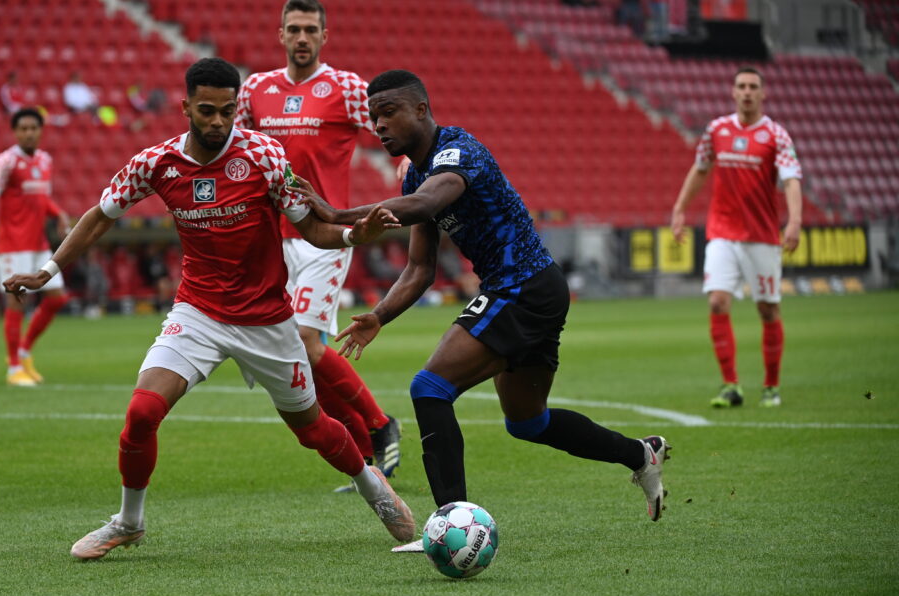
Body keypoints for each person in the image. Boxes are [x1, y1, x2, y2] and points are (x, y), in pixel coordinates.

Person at [2, 58, 415, 560]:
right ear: (185, 108)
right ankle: (129, 522)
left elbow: (311, 228)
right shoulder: (155, 163)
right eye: (206, 111)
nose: (217, 122)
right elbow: (98, 217)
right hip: (197, 312)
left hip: (266, 320)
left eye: (226, 111)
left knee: (312, 431)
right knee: (141, 412)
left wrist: (353, 234)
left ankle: (373, 487)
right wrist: (47, 272)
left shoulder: (263, 154)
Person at [290, 70, 670, 552]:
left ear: (421, 111)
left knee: (429, 388)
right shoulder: (412, 174)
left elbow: (427, 202)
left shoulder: (456, 152)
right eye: (373, 117)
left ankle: (449, 524)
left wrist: (334, 213)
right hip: (528, 290)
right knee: (528, 422)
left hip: (524, 285)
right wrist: (379, 316)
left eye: (389, 113)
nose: (379, 125)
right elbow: (420, 268)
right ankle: (640, 454)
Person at [235, 0, 402, 491]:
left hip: (325, 235)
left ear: (324, 35)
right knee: (298, 354)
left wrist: (407, 161)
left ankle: (379, 422)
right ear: (281, 34)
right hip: (272, 238)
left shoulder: (347, 87)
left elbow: (390, 124)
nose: (302, 37)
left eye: (310, 29)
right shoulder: (256, 90)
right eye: (294, 29)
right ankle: (368, 458)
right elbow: (236, 149)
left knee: (307, 343)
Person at [670, 66, 802, 408]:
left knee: (768, 309)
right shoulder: (716, 129)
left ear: (762, 93)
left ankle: (771, 386)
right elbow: (700, 168)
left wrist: (794, 222)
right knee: (717, 301)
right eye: (741, 86)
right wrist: (680, 209)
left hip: (761, 235)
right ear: (733, 92)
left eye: (753, 87)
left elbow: (790, 180)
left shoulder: (776, 135)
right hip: (722, 232)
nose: (746, 92)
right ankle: (731, 385)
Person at [0, 107, 71, 387]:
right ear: (15, 132)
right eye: (24, 128)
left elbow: (41, 198)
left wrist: (57, 213)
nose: (29, 133)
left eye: (34, 128)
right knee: (16, 303)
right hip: (12, 246)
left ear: (40, 130)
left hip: (38, 244)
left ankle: (23, 350)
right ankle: (13, 368)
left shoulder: (45, 160)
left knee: (57, 298)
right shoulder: (6, 161)